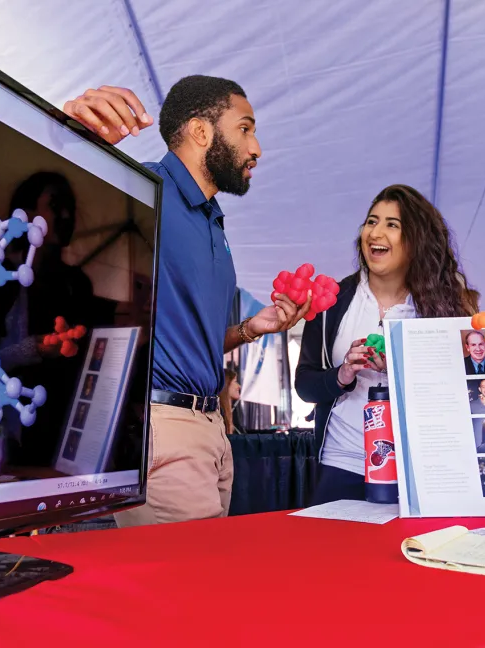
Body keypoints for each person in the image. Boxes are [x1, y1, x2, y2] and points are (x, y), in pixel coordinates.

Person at [62, 78, 309, 526]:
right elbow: (69, 211)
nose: (256, 148)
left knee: (201, 579)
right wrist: (80, 140)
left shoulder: (215, 223)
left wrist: (254, 328)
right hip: (161, 425)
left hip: (212, 430)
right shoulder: (144, 188)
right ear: (201, 132)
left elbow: (196, 342)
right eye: (245, 129)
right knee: (188, 586)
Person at [295, 184, 479, 505]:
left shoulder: (445, 309)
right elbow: (305, 385)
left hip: (417, 467)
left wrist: (399, 371)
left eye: (392, 225)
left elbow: (459, 392)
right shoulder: (330, 302)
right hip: (341, 462)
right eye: (371, 221)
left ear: (416, 241)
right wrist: (342, 375)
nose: (376, 232)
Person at [0, 172, 107, 468]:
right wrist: (28, 350)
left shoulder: (77, 284)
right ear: (25, 214)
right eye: (56, 204)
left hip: (65, 443)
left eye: (71, 207)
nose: (66, 215)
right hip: (1, 442)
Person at [219, 367, 242, 435]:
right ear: (226, 384)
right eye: (235, 381)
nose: (239, 386)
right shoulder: (219, 414)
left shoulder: (233, 413)